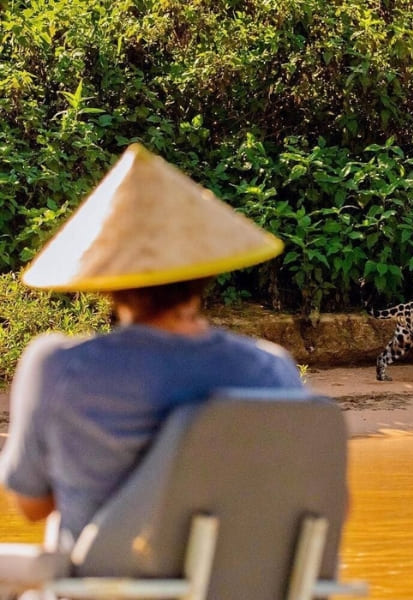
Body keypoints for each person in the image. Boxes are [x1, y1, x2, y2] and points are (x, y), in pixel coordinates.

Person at [0, 144, 305, 547]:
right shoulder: (271, 369)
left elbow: (31, 505)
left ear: (106, 277)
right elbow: (313, 504)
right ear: (207, 268)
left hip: (102, 586)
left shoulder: (55, 366)